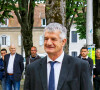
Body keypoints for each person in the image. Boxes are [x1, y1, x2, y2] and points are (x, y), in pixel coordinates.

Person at [24, 23, 93, 90]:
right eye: (46, 39)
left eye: (53, 39)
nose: (48, 43)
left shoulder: (80, 66)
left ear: (63, 42)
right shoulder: (32, 68)